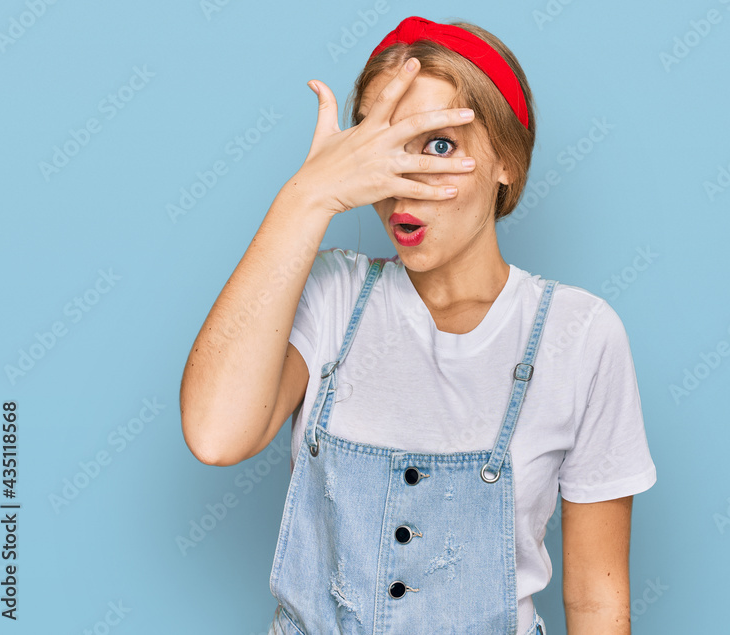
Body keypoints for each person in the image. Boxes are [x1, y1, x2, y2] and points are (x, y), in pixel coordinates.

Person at [179, 15, 656, 635]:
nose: (406, 181)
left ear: (506, 161)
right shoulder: (330, 296)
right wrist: (307, 197)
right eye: (387, 146)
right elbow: (217, 435)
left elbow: (597, 599)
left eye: (438, 145)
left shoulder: (580, 335)